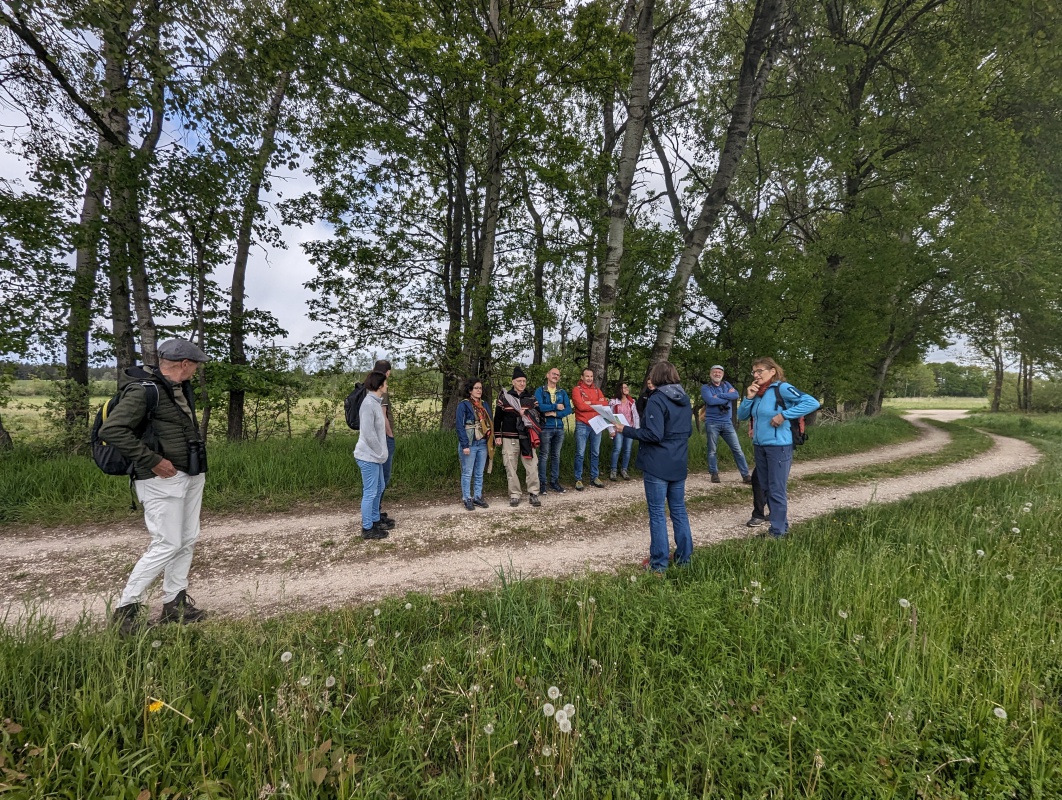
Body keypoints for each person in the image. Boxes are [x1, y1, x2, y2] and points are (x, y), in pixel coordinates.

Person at [102, 339, 211, 635]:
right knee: (166, 543)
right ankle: (126, 611)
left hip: (190, 472)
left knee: (187, 539)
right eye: (195, 364)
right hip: (160, 479)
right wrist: (153, 461)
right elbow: (112, 430)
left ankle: (174, 605)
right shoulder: (144, 390)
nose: (196, 369)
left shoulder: (178, 388)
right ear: (185, 364)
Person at [613, 362, 693, 573]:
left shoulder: (657, 399)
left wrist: (625, 430)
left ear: (657, 377)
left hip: (657, 463)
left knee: (657, 513)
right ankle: (684, 559)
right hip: (678, 461)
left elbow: (654, 434)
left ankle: (658, 564)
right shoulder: (684, 399)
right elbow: (688, 431)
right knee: (679, 510)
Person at [736, 357, 820, 538]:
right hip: (760, 445)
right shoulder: (758, 392)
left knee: (776, 488)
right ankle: (781, 526)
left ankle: (777, 533)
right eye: (754, 371)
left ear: (772, 371)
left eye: (760, 371)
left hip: (779, 446)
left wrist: (784, 415)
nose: (756, 375)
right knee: (766, 487)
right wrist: (749, 397)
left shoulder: (782, 388)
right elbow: (742, 416)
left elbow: (812, 402)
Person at [494, 366, 541, 507]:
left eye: (524, 381)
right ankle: (514, 494)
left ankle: (534, 493)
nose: (522, 383)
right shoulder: (504, 397)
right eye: (519, 381)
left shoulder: (531, 398)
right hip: (510, 437)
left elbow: (538, 416)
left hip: (527, 437)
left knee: (532, 466)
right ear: (513, 382)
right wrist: (497, 435)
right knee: (510, 466)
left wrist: (525, 413)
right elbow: (498, 418)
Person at [354, 370, 393, 540]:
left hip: (375, 456)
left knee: (380, 487)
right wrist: (381, 452)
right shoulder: (368, 404)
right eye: (385, 383)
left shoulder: (376, 402)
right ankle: (367, 528)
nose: (387, 385)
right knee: (370, 492)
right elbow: (368, 434)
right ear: (379, 385)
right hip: (367, 456)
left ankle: (375, 520)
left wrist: (380, 454)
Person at [701, 364, 751, 484]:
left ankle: (746, 475)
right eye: (715, 372)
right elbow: (710, 401)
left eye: (719, 372)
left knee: (737, 449)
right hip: (712, 422)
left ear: (722, 374)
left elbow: (735, 395)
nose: (717, 374)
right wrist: (727, 397)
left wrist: (719, 395)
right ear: (710, 374)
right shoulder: (705, 387)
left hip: (727, 422)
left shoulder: (727, 384)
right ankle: (714, 474)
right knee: (712, 450)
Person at [455, 378, 492, 511]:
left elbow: (489, 422)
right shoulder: (463, 405)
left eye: (480, 388)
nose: (479, 390)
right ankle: (467, 498)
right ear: (470, 390)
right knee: (467, 472)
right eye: (476, 388)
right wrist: (465, 445)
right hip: (470, 442)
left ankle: (477, 496)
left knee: (479, 472)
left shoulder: (484, 404)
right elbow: (460, 426)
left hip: (482, 442)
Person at [534, 367, 571, 493]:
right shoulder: (540, 391)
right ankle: (542, 483)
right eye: (553, 374)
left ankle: (554, 482)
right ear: (547, 375)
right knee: (544, 455)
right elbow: (539, 407)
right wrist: (555, 406)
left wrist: (555, 414)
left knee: (556, 456)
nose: (556, 376)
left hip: (559, 428)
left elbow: (568, 409)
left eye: (558, 375)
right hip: (545, 428)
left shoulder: (562, 392)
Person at [571, 368, 608, 490]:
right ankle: (578, 479)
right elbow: (580, 406)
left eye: (591, 376)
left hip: (597, 424)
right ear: (582, 377)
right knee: (580, 453)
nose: (589, 378)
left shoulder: (597, 390)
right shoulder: (577, 390)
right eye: (587, 376)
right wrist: (596, 404)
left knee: (595, 452)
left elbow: (605, 404)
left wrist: (589, 402)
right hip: (583, 424)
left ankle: (594, 477)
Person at [374, 359, 396, 526]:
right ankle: (375, 512)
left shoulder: (369, 387)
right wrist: (390, 435)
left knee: (377, 478)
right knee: (383, 477)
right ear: (387, 372)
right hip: (383, 439)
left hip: (373, 439)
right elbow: (383, 416)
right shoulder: (381, 388)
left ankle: (375, 511)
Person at [608, 381, 639, 480]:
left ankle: (624, 469)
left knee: (627, 450)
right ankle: (613, 470)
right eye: (624, 387)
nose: (626, 389)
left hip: (629, 429)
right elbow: (609, 416)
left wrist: (636, 430)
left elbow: (636, 416)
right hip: (618, 429)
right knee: (617, 449)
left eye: (627, 387)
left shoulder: (631, 401)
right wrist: (611, 430)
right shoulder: (613, 402)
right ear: (619, 389)